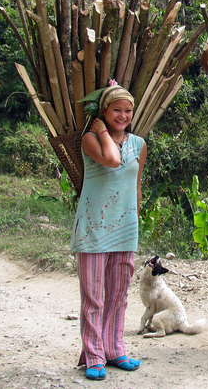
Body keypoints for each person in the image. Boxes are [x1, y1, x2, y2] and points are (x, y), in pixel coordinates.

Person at [70, 80, 147, 380]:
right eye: (116, 109)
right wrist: (100, 126)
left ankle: (115, 349)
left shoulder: (139, 144)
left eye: (128, 110)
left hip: (125, 228)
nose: (124, 115)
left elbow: (136, 185)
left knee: (119, 295)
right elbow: (113, 160)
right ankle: (93, 355)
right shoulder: (90, 139)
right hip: (93, 229)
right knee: (94, 298)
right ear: (103, 111)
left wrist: (135, 220)